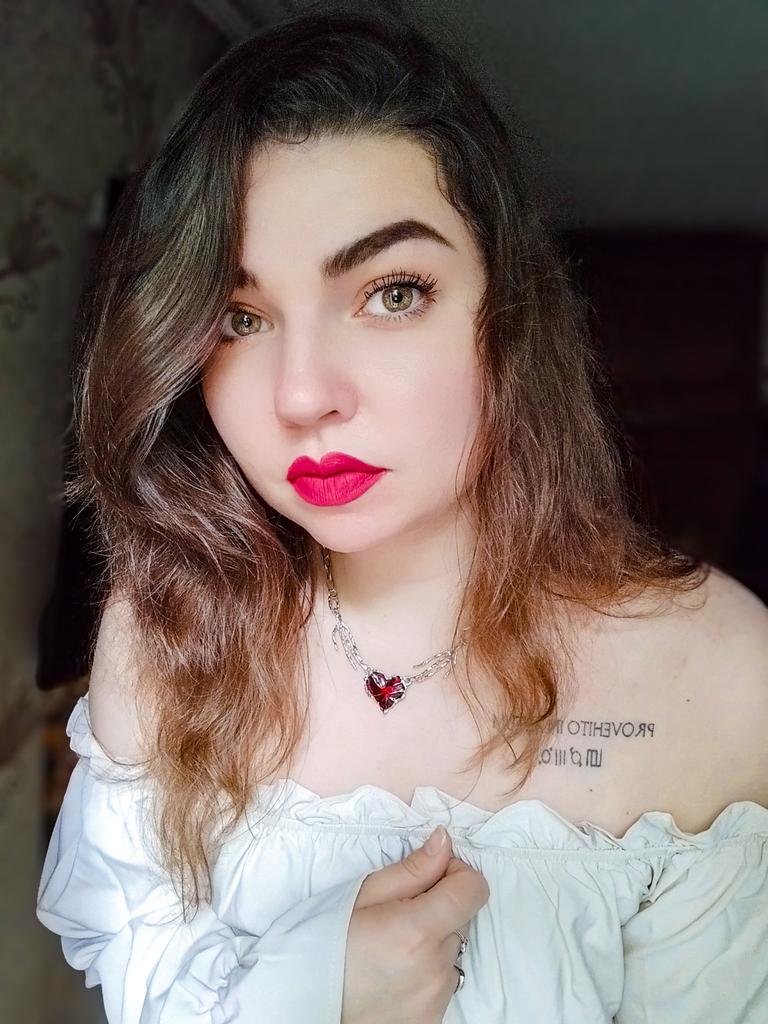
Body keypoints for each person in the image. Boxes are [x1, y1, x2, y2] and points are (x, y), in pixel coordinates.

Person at [37, 2, 768, 1022]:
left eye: (391, 292)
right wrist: (305, 995)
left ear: (505, 314)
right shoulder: (166, 633)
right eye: (240, 317)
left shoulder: (717, 675)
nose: (303, 395)